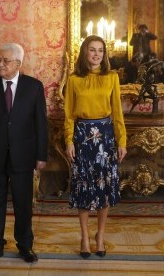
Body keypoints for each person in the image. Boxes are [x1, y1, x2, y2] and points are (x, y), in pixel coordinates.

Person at [0, 43, 48, 265]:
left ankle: (25, 245)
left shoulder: (34, 87)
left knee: (23, 203)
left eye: (5, 61)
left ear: (18, 63)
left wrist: (41, 155)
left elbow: (40, 124)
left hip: (23, 155)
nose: (0, 64)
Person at [64, 35, 127, 259]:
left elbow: (117, 112)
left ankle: (100, 236)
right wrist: (69, 140)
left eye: (100, 50)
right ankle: (84, 237)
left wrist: (122, 141)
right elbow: (69, 114)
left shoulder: (111, 77)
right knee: (84, 189)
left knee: (104, 190)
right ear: (84, 52)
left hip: (105, 138)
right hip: (82, 137)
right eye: (92, 50)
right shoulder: (74, 79)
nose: (97, 54)